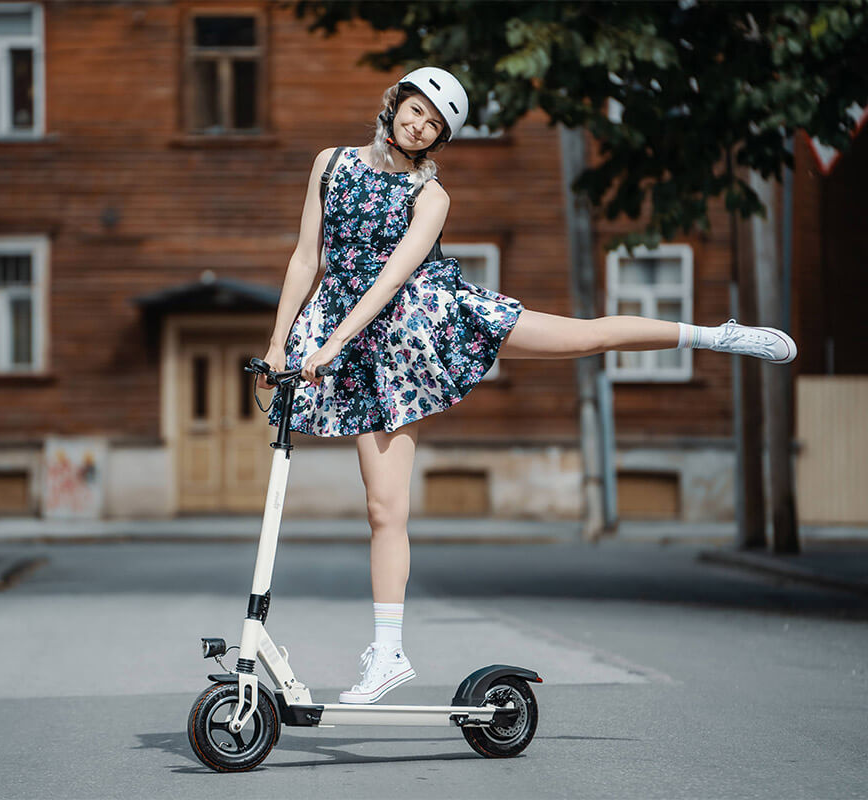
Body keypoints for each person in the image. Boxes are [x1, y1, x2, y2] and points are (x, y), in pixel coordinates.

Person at [258, 67, 796, 705]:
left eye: (435, 124)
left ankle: (711, 335)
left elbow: (391, 281)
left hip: (423, 319)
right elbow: (306, 259)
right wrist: (277, 343)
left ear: (438, 141)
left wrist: (334, 341)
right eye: (416, 110)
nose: (420, 124)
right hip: (357, 343)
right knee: (384, 510)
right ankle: (389, 653)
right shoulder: (330, 163)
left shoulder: (431, 198)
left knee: (584, 335)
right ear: (396, 102)